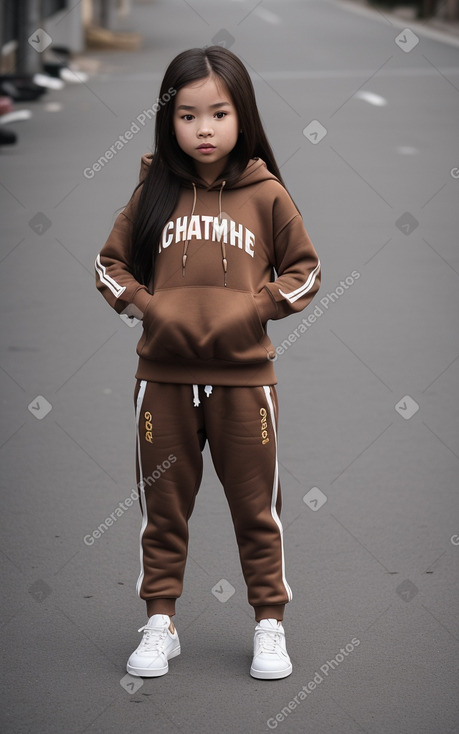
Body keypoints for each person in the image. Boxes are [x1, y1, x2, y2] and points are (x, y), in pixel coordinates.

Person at [95, 46, 321, 680]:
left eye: (218, 113)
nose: (203, 128)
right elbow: (107, 266)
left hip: (246, 384)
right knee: (162, 508)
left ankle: (269, 625)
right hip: (162, 381)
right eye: (188, 114)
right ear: (170, 121)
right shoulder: (152, 191)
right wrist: (146, 306)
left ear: (241, 116)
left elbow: (307, 272)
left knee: (257, 510)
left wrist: (255, 309)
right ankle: (160, 622)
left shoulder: (266, 194)